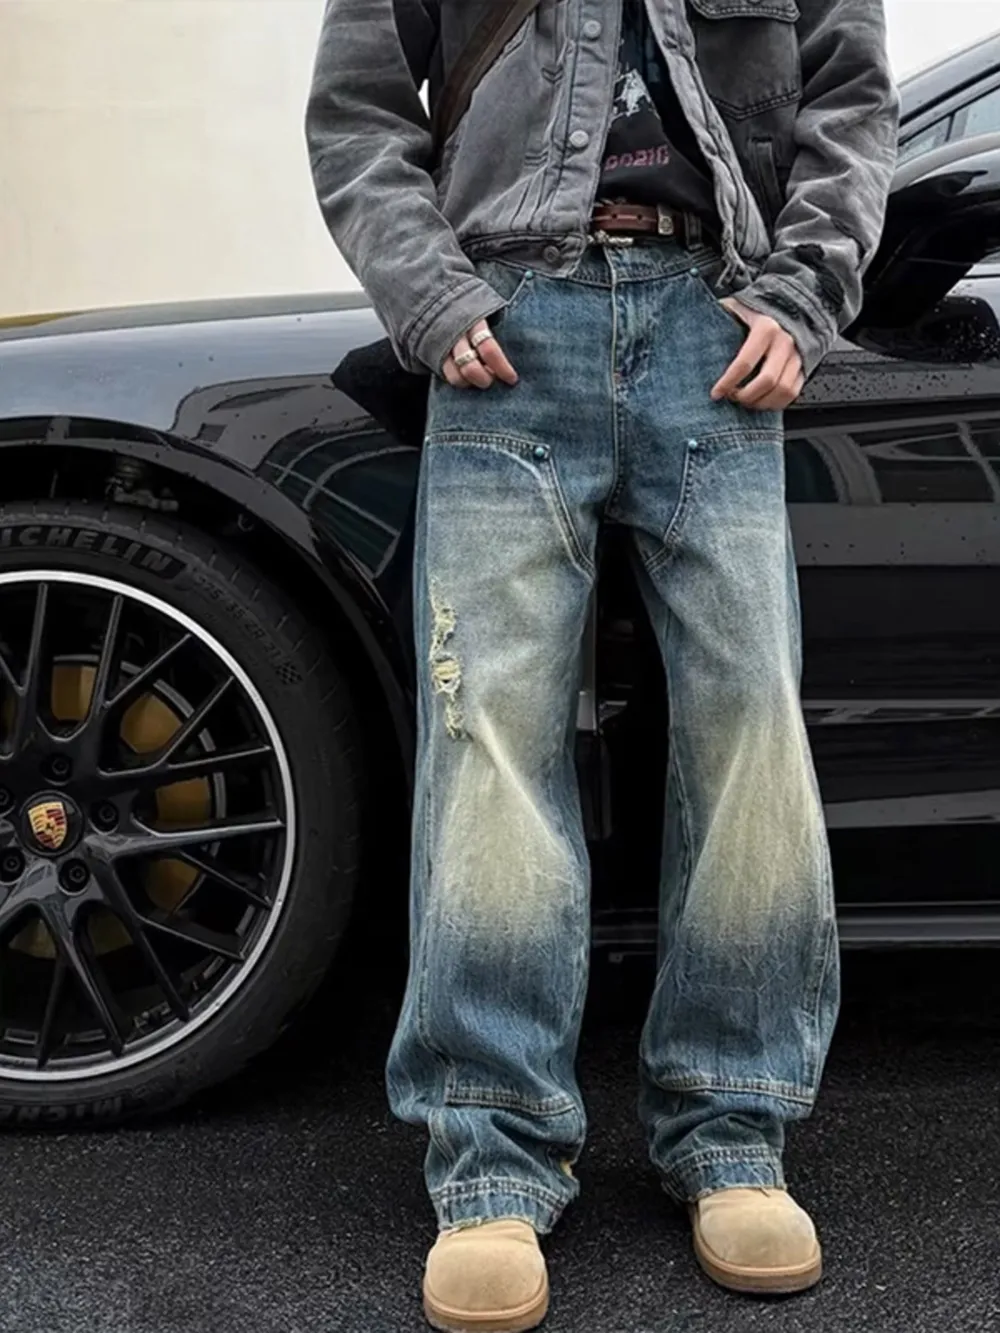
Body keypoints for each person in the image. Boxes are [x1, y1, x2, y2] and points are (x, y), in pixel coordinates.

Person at [307, 0, 899, 1327]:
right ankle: (490, 1156)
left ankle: (735, 1136)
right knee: (490, 743)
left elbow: (851, 104)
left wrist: (805, 293)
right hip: (508, 325)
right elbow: (356, 112)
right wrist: (427, 291)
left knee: (749, 734)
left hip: (716, 324)